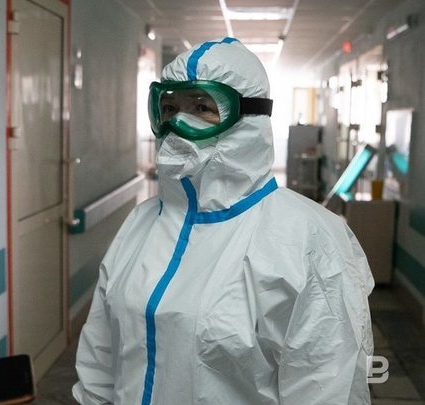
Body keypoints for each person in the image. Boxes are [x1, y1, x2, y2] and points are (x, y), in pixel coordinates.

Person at [72, 37, 374, 404]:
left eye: (202, 107)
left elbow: (326, 387)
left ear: (250, 118)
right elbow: (101, 354)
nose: (178, 124)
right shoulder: (142, 223)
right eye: (169, 107)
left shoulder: (309, 240)